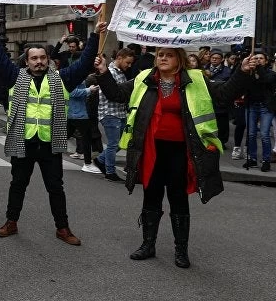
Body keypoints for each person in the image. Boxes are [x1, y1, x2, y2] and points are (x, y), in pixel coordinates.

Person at [95, 48, 258, 267]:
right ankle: (147, 245)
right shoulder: (144, 78)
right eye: (160, 54)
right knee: (151, 195)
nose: (162, 58)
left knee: (178, 197)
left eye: (169, 55)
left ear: (179, 60)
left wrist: (242, 71)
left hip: (182, 151)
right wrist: (104, 73)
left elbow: (224, 95)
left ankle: (181, 250)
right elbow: (117, 94)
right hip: (151, 149)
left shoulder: (196, 79)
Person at [0, 13, 105, 245]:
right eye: (34, 58)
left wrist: (95, 35)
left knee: (55, 188)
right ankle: (11, 222)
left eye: (42, 57)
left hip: (50, 144)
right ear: (27, 61)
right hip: (24, 142)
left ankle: (63, 228)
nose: (39, 61)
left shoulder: (61, 78)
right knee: (17, 184)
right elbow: (0, 59)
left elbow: (83, 65)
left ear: (47, 60)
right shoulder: (16, 77)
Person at [94, 48, 135, 182]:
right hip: (110, 112)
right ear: (120, 57)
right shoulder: (109, 72)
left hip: (119, 112)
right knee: (113, 144)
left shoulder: (120, 72)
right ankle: (110, 172)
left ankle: (100, 160)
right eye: (127, 62)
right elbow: (112, 92)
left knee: (119, 143)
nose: (129, 66)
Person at [243, 51, 275, 171]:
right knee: (251, 134)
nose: (258, 60)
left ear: (266, 61)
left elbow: (266, 80)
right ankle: (253, 158)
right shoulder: (250, 73)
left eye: (261, 58)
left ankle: (266, 160)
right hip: (252, 106)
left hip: (265, 107)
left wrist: (259, 68)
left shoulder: (270, 74)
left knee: (264, 134)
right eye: (256, 58)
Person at [68, 81, 100, 173]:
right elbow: (72, 92)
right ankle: (87, 164)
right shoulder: (73, 76)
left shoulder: (74, 76)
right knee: (86, 138)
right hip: (77, 113)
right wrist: (89, 90)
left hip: (76, 112)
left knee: (64, 136)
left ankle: (87, 163)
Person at [204, 49, 232, 147]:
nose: (215, 60)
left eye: (217, 58)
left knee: (222, 123)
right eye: (213, 58)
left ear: (221, 59)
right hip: (208, 100)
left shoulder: (227, 71)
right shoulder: (204, 69)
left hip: (221, 101)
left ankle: (222, 141)